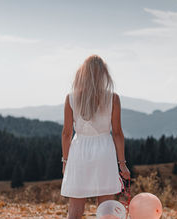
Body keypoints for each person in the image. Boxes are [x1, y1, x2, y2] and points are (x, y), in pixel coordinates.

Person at [60, 54, 131, 219]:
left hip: (79, 151)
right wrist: (122, 164)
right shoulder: (113, 98)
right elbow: (118, 133)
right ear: (104, 74)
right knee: (106, 205)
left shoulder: (71, 98)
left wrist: (65, 161)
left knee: (76, 205)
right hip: (104, 150)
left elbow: (67, 133)